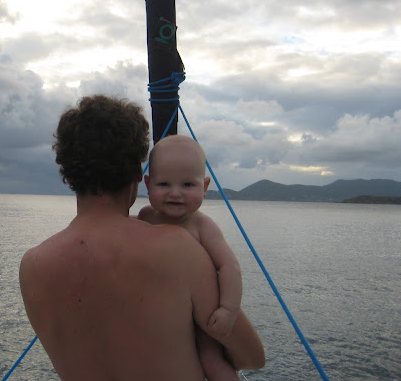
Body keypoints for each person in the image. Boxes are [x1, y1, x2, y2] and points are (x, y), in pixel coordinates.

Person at [20, 95, 264, 381]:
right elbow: (252, 357)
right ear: (139, 173)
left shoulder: (33, 266)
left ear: (69, 176)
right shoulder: (176, 247)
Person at [138, 134, 243, 380]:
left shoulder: (202, 227)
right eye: (164, 185)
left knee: (211, 359)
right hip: (159, 314)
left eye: (187, 185)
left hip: (199, 317)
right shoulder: (145, 217)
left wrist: (228, 310)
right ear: (147, 184)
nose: (175, 193)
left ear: (204, 187)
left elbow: (229, 266)